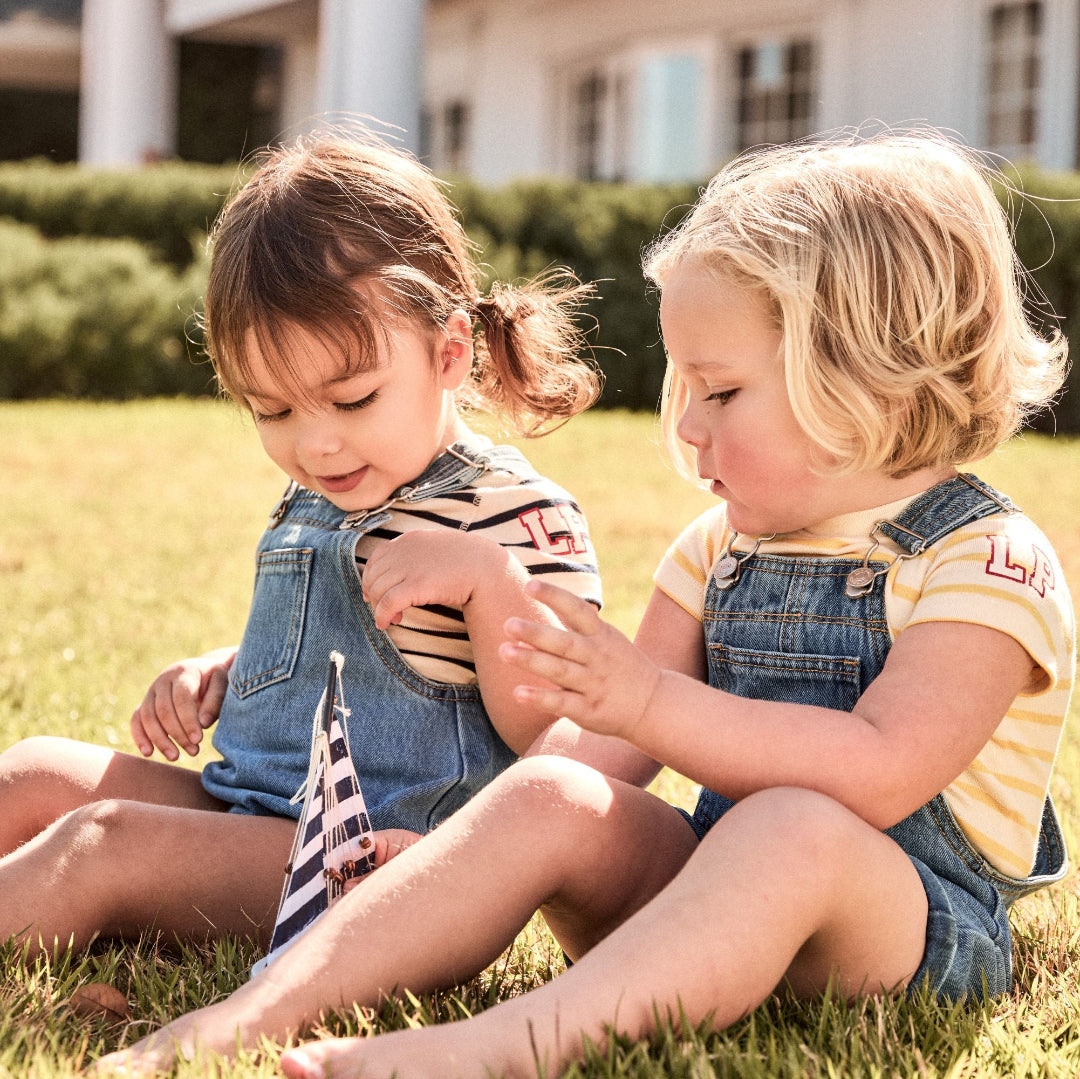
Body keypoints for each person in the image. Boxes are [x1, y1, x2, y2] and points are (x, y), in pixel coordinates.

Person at [99, 130, 1074, 1079]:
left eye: (721, 391)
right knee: (550, 791)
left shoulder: (985, 559)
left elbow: (881, 772)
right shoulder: (717, 552)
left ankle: (507, 1047)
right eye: (684, 387)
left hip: (905, 936)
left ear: (868, 375)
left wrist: (649, 699)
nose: (687, 426)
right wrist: (449, 851)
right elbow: (595, 754)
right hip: (707, 897)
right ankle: (252, 1011)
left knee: (790, 825)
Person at [0, 133, 603, 960]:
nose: (315, 444)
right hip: (252, 812)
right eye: (273, 411)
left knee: (101, 842)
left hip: (376, 865)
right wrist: (226, 669)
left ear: (450, 352)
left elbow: (559, 737)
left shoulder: (512, 511)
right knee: (33, 770)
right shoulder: (323, 490)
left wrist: (489, 581)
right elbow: (330, 650)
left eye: (352, 399)